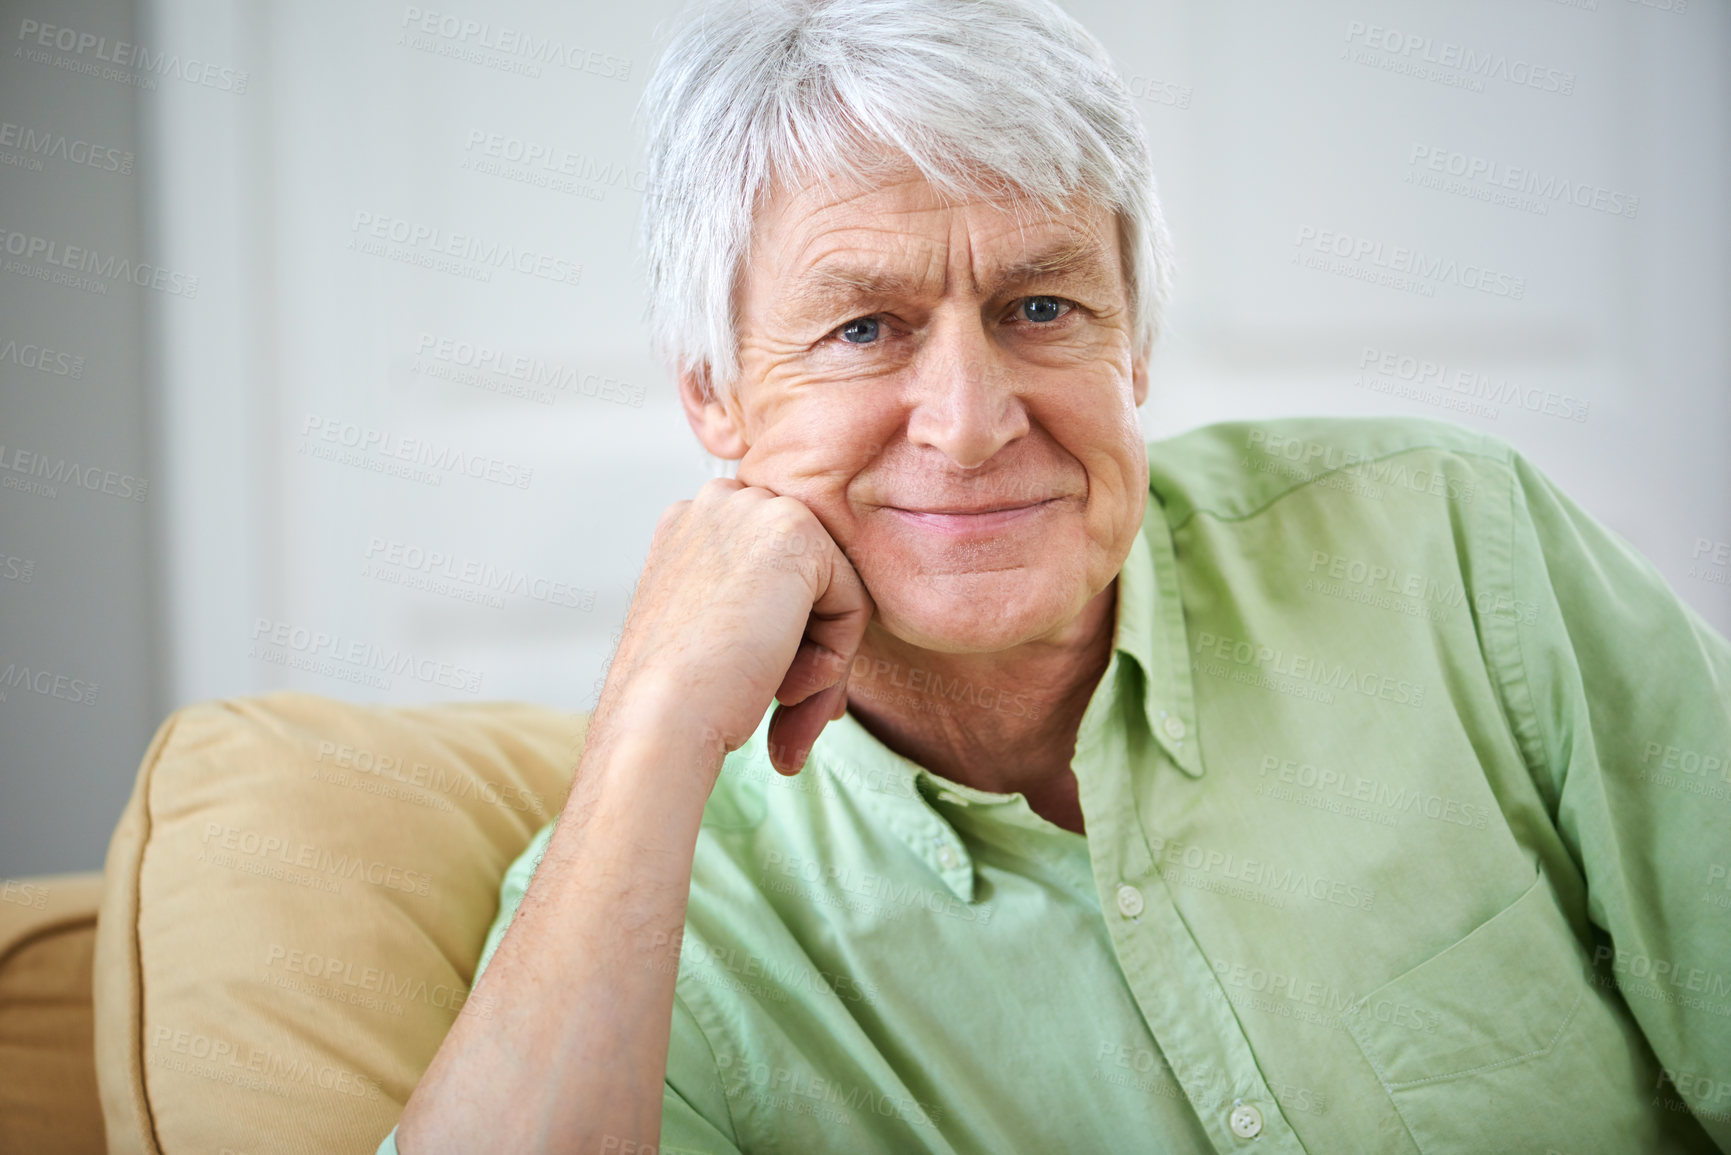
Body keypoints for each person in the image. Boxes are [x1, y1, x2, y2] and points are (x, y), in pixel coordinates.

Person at [384, 0, 1731, 1150]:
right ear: (718, 401)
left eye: (1040, 308)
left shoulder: (1449, 545)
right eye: (865, 330)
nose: (970, 420)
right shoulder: (650, 927)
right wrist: (654, 721)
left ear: (1133, 342)